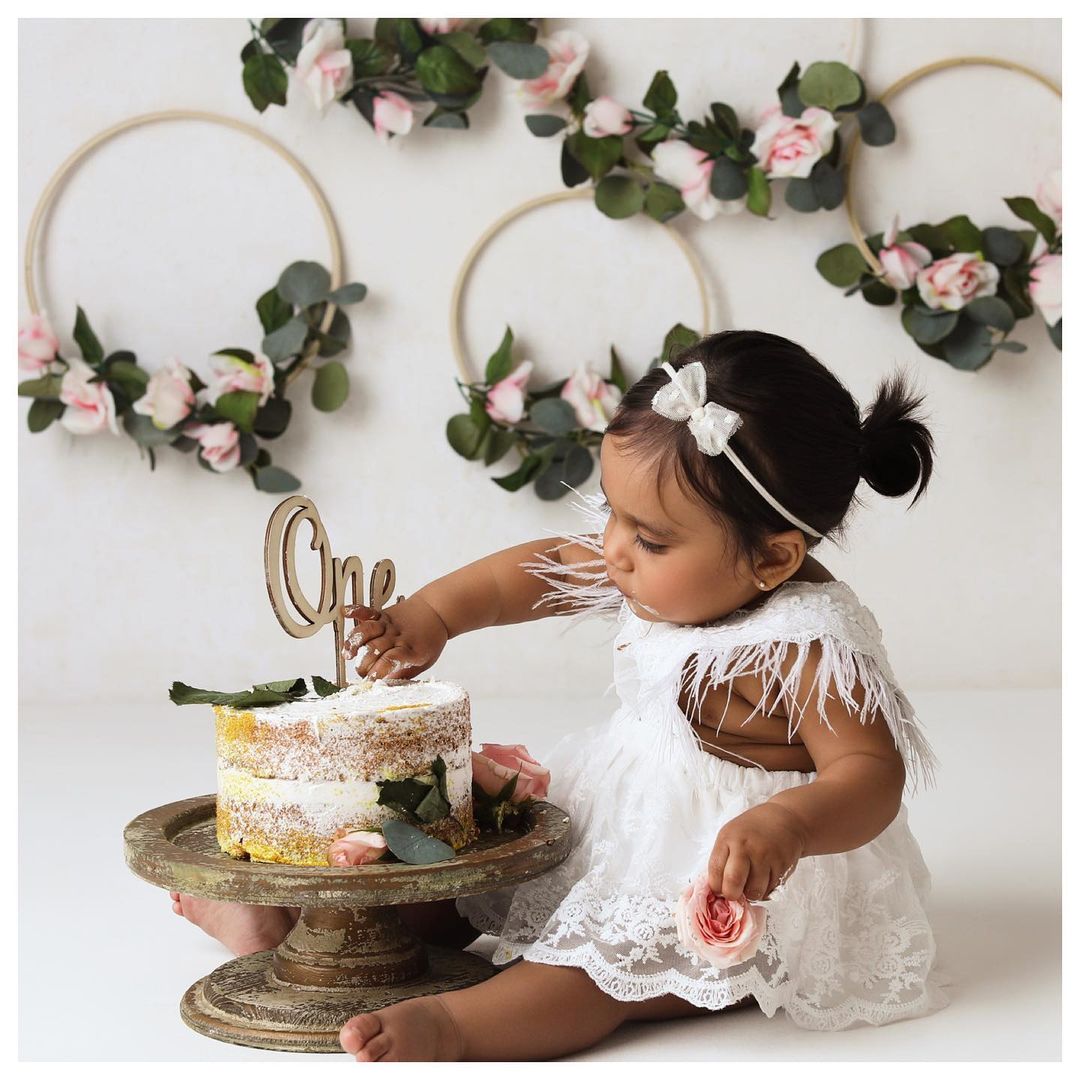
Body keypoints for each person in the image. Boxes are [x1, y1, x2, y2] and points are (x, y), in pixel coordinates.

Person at [172, 330, 950, 1060]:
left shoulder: (807, 647)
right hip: (626, 815)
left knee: (600, 973)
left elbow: (870, 773)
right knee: (460, 884)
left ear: (774, 559)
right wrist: (433, 615)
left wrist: (791, 822)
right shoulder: (675, 564)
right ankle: (293, 933)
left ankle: (455, 1026)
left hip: (732, 871)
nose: (614, 549)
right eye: (613, 512)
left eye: (649, 538)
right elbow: (532, 572)